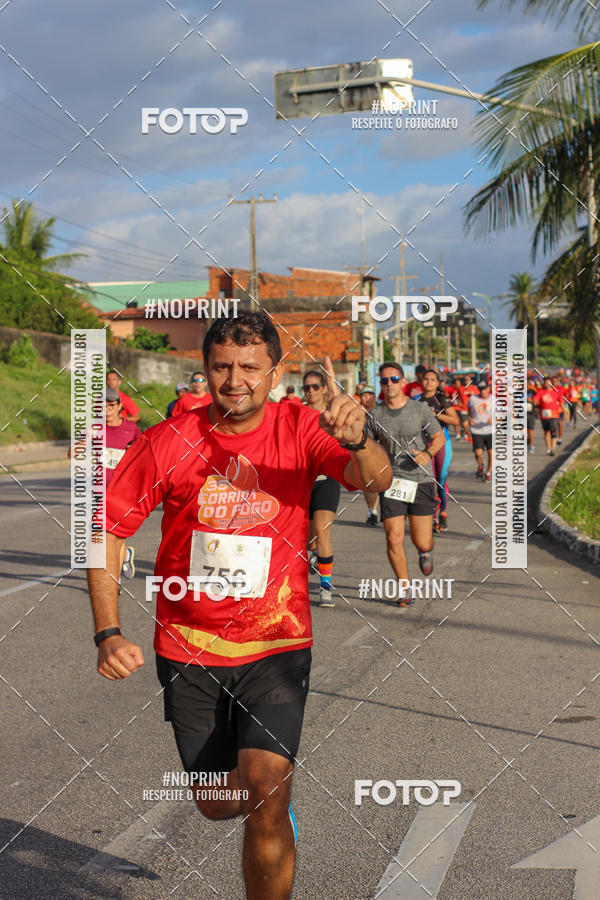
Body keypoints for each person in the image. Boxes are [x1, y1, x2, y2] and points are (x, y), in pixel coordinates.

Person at [87, 311, 391, 900]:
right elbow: (106, 531)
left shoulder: (301, 427)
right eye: (222, 367)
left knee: (267, 789)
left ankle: (270, 800)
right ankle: (258, 794)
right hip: (189, 649)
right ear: (205, 370)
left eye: (250, 367)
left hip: (277, 645)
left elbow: (373, 479)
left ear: (274, 372)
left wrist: (360, 438)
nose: (235, 380)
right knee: (214, 803)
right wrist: (107, 630)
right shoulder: (167, 441)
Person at [367, 362, 445, 607]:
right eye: (384, 381)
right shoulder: (375, 415)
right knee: (393, 538)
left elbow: (438, 437)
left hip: (420, 480)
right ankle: (405, 587)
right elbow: (368, 446)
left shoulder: (419, 410)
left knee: (422, 540)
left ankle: (425, 552)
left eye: (394, 379)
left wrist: (427, 455)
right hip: (392, 481)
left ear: (403, 382)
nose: (389, 384)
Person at [69, 387, 141, 579]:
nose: (107, 410)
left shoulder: (131, 429)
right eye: (102, 406)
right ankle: (121, 563)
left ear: (119, 406)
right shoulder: (94, 428)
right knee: (101, 536)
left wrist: (132, 451)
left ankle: (117, 571)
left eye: (111, 405)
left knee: (116, 536)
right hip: (100, 490)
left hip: (122, 491)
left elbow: (143, 458)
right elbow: (71, 454)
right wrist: (86, 440)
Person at [303, 370, 341, 607]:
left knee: (323, 532)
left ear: (324, 389)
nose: (311, 391)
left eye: (316, 386)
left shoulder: (332, 413)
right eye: (307, 387)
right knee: (308, 542)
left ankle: (325, 589)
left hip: (327, 480)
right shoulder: (296, 413)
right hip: (302, 481)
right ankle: (315, 555)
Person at [419, 369, 459, 532]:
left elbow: (454, 419)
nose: (428, 382)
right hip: (424, 445)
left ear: (437, 383)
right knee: (429, 481)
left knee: (440, 481)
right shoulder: (417, 400)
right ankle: (432, 518)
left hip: (442, 443)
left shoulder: (441, 399)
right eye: (426, 379)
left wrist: (436, 415)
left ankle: (443, 512)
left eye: (432, 380)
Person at [359, 386, 379, 526]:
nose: (367, 397)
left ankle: (375, 510)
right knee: (367, 483)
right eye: (364, 395)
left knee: (376, 483)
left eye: (370, 395)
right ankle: (372, 510)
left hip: (379, 451)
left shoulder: (380, 411)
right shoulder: (356, 411)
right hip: (362, 451)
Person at [467, 378, 493, 481]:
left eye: (484, 389)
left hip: (491, 430)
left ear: (489, 388)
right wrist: (470, 418)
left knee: (491, 453)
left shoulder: (494, 400)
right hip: (477, 430)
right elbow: (469, 408)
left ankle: (488, 473)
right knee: (478, 453)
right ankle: (480, 464)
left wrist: (494, 420)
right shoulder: (473, 399)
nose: (483, 391)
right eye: (481, 389)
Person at [534, 375, 561, 455]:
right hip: (544, 415)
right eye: (546, 383)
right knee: (547, 432)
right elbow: (535, 400)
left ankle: (553, 448)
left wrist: (562, 409)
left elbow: (561, 401)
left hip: (554, 415)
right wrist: (537, 405)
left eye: (549, 383)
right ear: (544, 383)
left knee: (553, 431)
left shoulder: (555, 391)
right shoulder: (541, 392)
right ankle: (549, 448)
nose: (547, 384)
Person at [526, 378, 537, 452]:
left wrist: (530, 400)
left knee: (530, 430)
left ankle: (530, 445)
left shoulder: (533, 392)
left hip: (530, 413)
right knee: (523, 430)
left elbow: (536, 401)